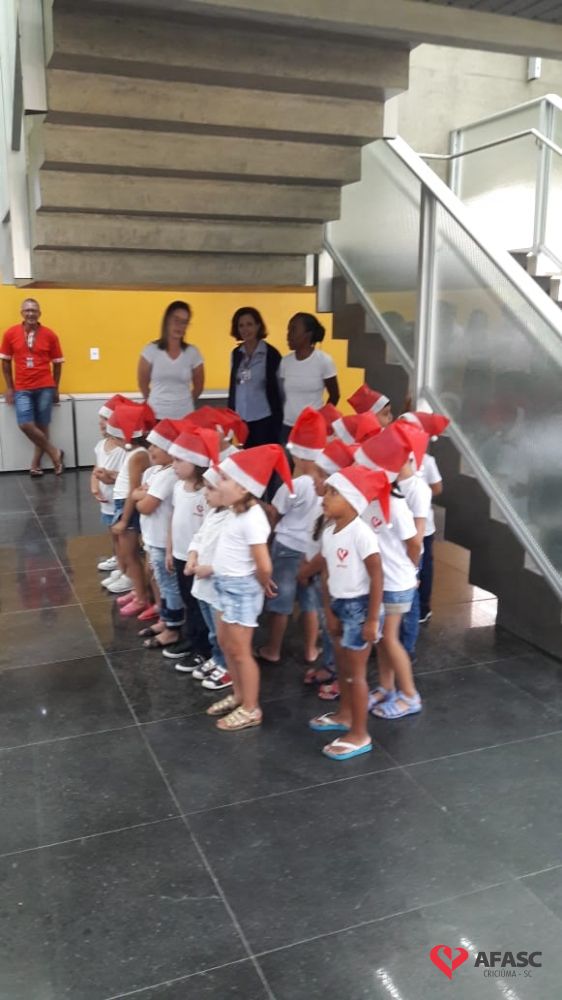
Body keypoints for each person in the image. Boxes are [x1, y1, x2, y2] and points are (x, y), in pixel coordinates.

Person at [206, 445, 294, 732]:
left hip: (240, 590)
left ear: (244, 488)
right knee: (226, 644)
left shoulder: (253, 518)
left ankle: (251, 707)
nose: (219, 483)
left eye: (225, 479)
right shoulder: (235, 510)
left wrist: (263, 581)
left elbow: (263, 563)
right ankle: (239, 694)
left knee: (241, 650)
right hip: (224, 585)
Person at [308, 466, 385, 761]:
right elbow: (327, 573)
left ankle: (360, 733)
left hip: (359, 608)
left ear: (353, 501)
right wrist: (329, 612)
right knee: (343, 669)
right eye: (326, 491)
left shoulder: (362, 533)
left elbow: (377, 576)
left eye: (333, 493)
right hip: (339, 604)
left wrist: (372, 619)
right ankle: (344, 714)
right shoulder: (330, 532)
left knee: (356, 675)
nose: (324, 498)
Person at [355, 427, 424, 720]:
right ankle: (386, 687)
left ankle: (410, 695)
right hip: (380, 581)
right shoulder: (370, 499)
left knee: (390, 639)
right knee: (382, 638)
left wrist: (411, 569)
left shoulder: (396, 505)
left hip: (395, 583)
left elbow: (414, 543)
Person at [258, 408, 326, 665]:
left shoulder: (294, 485)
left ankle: (273, 649)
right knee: (310, 602)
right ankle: (310, 650)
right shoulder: (327, 485)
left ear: (297, 455)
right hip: (312, 550)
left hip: (287, 547)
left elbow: (275, 513)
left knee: (281, 601)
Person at [162, 427, 214, 665]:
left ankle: (204, 648)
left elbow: (209, 530)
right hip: (180, 555)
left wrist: (201, 558)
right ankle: (191, 639)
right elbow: (174, 519)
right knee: (187, 600)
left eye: (179, 460)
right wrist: (170, 550)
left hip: (198, 560)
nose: (173, 465)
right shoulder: (177, 487)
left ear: (196, 463)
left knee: (199, 604)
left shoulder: (207, 494)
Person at [0, 298, 65, 476]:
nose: (30, 314)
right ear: (22, 313)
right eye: (27, 310)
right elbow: (5, 362)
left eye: (34, 310)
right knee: (25, 424)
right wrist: (9, 387)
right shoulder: (10, 333)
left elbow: (58, 363)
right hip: (22, 388)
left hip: (45, 387)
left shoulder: (50, 335)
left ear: (39, 313)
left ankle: (35, 464)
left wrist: (55, 388)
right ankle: (55, 452)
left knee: (42, 427)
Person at [133, 420, 183, 647]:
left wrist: (139, 497)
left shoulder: (169, 475)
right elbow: (137, 493)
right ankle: (165, 619)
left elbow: (145, 506)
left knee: (169, 585)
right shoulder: (156, 472)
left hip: (163, 540)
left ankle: (173, 628)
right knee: (162, 582)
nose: (150, 449)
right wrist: (140, 495)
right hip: (154, 537)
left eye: (156, 446)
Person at [187, 464, 234, 691]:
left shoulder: (233, 519)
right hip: (203, 586)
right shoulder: (213, 513)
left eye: (211, 488)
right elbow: (199, 537)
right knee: (212, 630)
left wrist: (211, 568)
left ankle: (227, 666)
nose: (205, 493)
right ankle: (217, 657)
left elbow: (234, 557)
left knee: (222, 632)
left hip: (218, 587)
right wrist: (192, 556)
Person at [106, 403, 153, 613]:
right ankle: (138, 590)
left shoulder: (138, 455)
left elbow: (133, 488)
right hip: (123, 504)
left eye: (115, 438)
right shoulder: (134, 453)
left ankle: (142, 598)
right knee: (127, 554)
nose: (113, 441)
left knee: (130, 555)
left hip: (127, 508)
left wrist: (124, 520)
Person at [138, 301, 204, 419]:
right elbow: (143, 383)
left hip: (185, 416)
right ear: (167, 320)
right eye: (176, 320)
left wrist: (183, 403)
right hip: (156, 415)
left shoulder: (192, 352)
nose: (180, 326)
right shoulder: (150, 350)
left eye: (184, 322)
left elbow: (199, 386)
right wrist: (156, 402)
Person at [227, 307, 283, 448]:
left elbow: (279, 390)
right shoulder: (236, 353)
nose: (245, 329)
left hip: (264, 419)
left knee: (265, 457)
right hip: (242, 420)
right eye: (241, 325)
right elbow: (234, 387)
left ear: (258, 326)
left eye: (249, 324)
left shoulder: (271, 354)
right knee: (247, 457)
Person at [279, 313, 339, 441]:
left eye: (293, 329)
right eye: (288, 330)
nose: (288, 335)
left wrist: (321, 419)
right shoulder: (285, 362)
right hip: (287, 427)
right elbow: (282, 395)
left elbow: (335, 395)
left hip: (312, 428)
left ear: (308, 334)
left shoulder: (324, 361)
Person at [90, 398, 126, 577]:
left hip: (120, 500)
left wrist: (109, 478)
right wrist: (95, 486)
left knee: (122, 536)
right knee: (112, 532)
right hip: (106, 501)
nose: (100, 423)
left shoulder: (123, 450)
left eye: (105, 419)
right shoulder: (100, 446)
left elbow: (126, 476)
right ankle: (118, 558)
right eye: (100, 418)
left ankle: (125, 565)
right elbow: (96, 469)